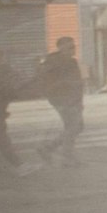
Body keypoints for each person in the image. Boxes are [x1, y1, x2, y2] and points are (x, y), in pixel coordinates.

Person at [37, 36, 85, 166]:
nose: (73, 49)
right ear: (61, 48)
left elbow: (77, 81)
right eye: (70, 47)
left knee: (78, 127)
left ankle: (48, 148)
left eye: (74, 46)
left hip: (73, 99)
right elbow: (49, 82)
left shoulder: (72, 62)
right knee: (72, 127)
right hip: (62, 99)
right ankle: (66, 156)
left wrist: (79, 100)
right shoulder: (53, 62)